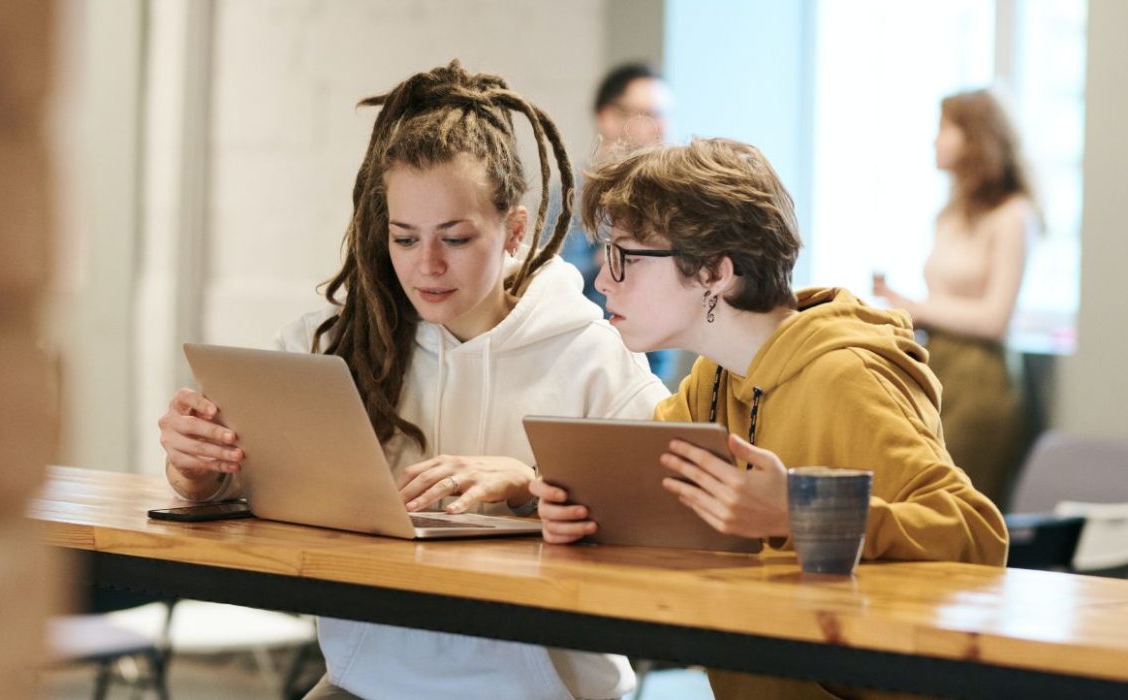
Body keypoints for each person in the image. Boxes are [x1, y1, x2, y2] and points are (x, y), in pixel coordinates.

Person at [157, 61, 669, 700]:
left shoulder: (591, 353)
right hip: (366, 684)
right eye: (404, 238)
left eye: (455, 238)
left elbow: (670, 521)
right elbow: (234, 488)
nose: (426, 265)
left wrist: (528, 485)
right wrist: (198, 473)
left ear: (514, 230)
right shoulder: (332, 347)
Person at [531, 137, 1008, 699]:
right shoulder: (712, 381)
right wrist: (533, 489)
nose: (604, 280)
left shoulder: (845, 377)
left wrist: (798, 512)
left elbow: (978, 537)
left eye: (626, 257)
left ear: (714, 271)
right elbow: (644, 489)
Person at [874, 88, 1041, 506]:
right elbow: (943, 303)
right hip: (937, 365)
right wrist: (903, 308)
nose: (935, 140)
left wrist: (919, 307)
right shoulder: (949, 214)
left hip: (982, 377)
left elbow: (995, 319)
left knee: (955, 506)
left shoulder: (1013, 216)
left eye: (945, 129)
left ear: (977, 138)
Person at [558, 62, 679, 383]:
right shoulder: (575, 194)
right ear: (609, 117)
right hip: (582, 362)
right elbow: (554, 281)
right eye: (649, 115)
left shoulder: (670, 196)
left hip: (654, 366)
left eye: (665, 115)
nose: (661, 129)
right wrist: (617, 256)